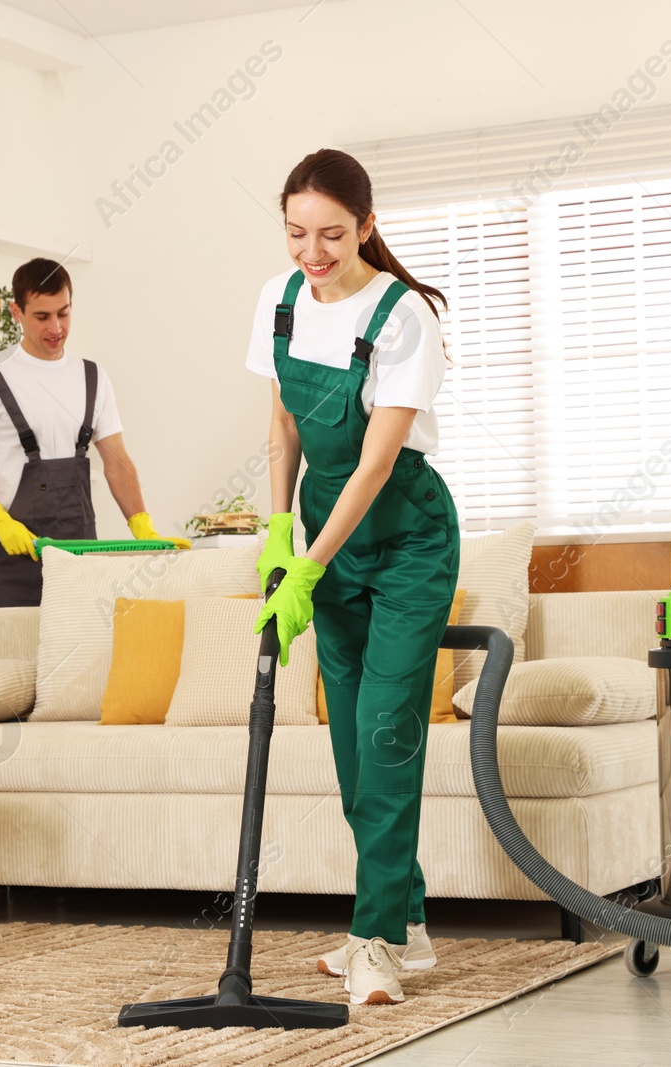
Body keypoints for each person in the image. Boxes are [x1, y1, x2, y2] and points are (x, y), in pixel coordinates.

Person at [248, 149, 456, 1005]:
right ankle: (405, 921)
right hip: (323, 540)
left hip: (405, 539)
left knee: (383, 732)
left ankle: (374, 938)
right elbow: (283, 425)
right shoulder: (280, 299)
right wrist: (273, 530)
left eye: (332, 233)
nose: (313, 251)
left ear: (367, 225)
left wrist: (308, 562)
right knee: (349, 748)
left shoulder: (405, 316)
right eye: (297, 232)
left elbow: (373, 466)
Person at [0, 258, 187, 609]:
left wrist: (143, 528)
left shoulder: (92, 378)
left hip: (80, 558)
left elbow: (117, 461)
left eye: (64, 313)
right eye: (42, 316)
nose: (55, 327)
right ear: (16, 312)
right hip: (11, 559)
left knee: (82, 659)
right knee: (16, 657)